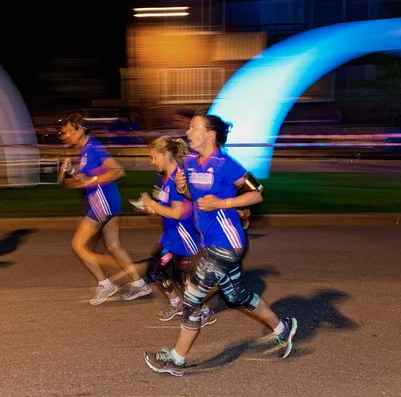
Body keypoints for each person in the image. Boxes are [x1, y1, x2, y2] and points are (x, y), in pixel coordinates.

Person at [144, 110, 298, 376]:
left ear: (210, 134)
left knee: (192, 300)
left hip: (227, 243)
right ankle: (283, 328)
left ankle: (176, 360)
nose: (188, 133)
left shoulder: (226, 163)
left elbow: (256, 193)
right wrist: (182, 188)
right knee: (236, 296)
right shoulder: (190, 162)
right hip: (209, 242)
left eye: (194, 128)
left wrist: (223, 203)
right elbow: (193, 195)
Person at [58, 112, 152, 305]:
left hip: (103, 204)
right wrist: (71, 172)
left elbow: (118, 170)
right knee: (113, 246)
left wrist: (90, 180)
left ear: (80, 129)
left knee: (77, 245)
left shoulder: (93, 147)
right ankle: (140, 284)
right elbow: (87, 178)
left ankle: (106, 285)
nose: (66, 135)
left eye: (68, 131)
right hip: (108, 201)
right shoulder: (86, 150)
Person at [137, 136, 215, 325]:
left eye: (154, 157)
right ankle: (176, 303)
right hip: (171, 237)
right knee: (154, 270)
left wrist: (152, 204)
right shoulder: (168, 178)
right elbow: (168, 207)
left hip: (184, 239)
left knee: (182, 280)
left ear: (166, 155)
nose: (152, 161)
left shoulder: (177, 178)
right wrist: (152, 207)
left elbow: (177, 212)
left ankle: (204, 311)